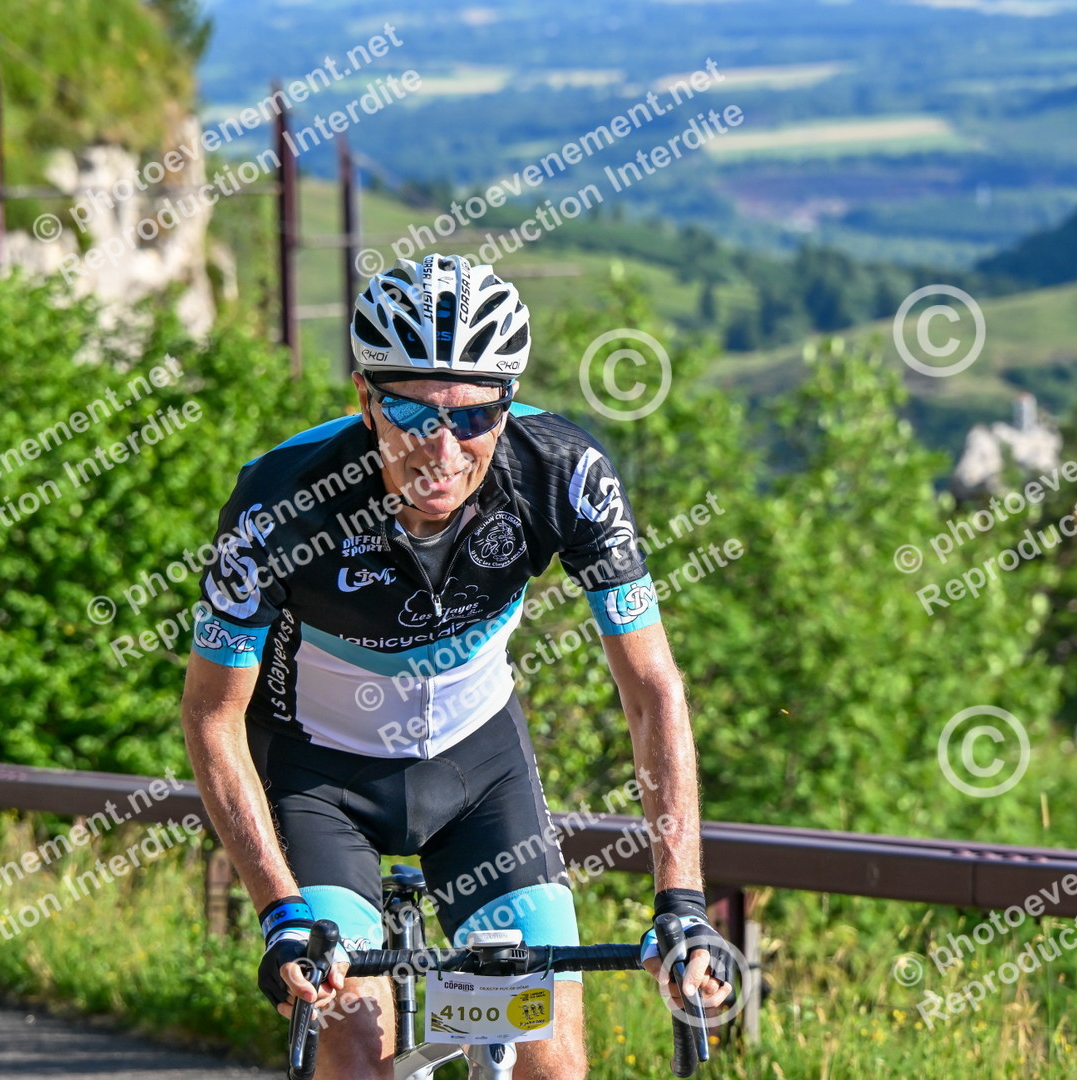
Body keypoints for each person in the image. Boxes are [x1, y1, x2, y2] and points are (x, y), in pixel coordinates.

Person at [179, 254, 734, 1079]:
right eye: (412, 411)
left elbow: (653, 691)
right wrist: (280, 911)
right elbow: (211, 714)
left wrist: (680, 901)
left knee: (549, 1058)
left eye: (473, 416)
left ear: (507, 407)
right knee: (355, 1044)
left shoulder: (565, 475)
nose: (442, 448)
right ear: (366, 400)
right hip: (319, 779)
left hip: (479, 774)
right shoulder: (279, 504)